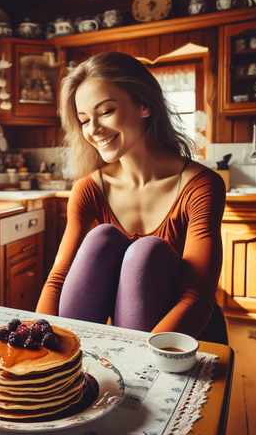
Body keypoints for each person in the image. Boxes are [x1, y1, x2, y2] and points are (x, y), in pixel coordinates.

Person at [36, 52, 228, 344]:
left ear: (144, 105)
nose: (94, 130)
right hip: (124, 339)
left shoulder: (201, 185)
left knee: (145, 252)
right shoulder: (89, 189)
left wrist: (136, 360)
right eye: (84, 120)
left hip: (184, 341)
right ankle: (65, 371)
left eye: (106, 111)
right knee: (103, 238)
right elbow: (57, 280)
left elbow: (197, 298)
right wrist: (40, 349)